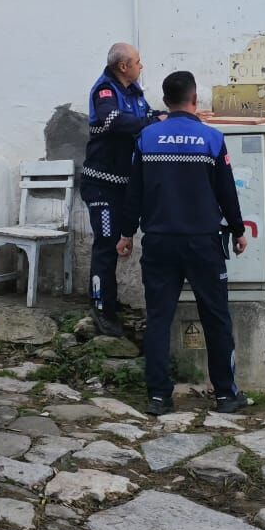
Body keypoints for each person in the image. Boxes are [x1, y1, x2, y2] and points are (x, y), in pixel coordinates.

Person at [116, 70, 248, 417]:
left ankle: (159, 397)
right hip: (203, 243)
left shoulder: (146, 138)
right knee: (216, 317)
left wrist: (126, 233)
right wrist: (238, 230)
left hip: (159, 242)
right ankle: (226, 395)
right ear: (194, 99)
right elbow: (226, 192)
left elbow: (134, 192)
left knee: (159, 318)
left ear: (165, 101)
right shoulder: (212, 139)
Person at [79, 43, 155, 339]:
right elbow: (114, 121)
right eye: (137, 61)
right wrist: (151, 122)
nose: (141, 66)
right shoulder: (105, 91)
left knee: (132, 241)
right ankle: (102, 308)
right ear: (124, 66)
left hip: (126, 185)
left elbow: (148, 116)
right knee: (107, 244)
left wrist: (171, 117)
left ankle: (115, 305)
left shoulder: (134, 93)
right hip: (101, 186)